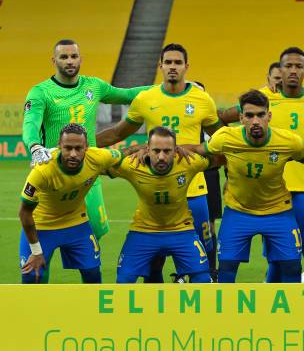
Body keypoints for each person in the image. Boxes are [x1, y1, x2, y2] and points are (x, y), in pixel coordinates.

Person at [96, 43, 224, 282]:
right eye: (168, 62)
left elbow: (222, 139)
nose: (173, 67)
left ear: (186, 67)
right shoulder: (146, 99)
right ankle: (157, 303)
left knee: (204, 256)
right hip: (156, 185)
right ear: (160, 66)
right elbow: (116, 133)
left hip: (194, 188)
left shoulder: (202, 100)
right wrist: (85, 147)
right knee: (154, 259)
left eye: (178, 63)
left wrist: (195, 149)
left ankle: (203, 297)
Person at [219, 47, 304, 280]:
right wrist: (232, 165)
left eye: (298, 66)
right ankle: (276, 304)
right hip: (270, 192)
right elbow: (223, 118)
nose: (293, 71)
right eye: (288, 66)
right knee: (279, 256)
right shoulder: (264, 100)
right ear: (280, 70)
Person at [22, 39, 149, 239]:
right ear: (53, 61)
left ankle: (91, 268)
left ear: (81, 59)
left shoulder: (94, 86)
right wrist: (35, 146)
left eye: (73, 56)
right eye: (64, 57)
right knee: (44, 232)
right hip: (53, 171)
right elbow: (31, 123)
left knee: (96, 230)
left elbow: (128, 95)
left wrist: (164, 89)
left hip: (88, 169)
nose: (70, 61)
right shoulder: (41, 92)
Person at [189, 89, 304, 283]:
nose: (255, 121)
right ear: (241, 118)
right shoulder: (225, 137)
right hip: (238, 211)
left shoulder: (289, 142)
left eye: (260, 115)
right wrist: (156, 150)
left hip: (278, 211)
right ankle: (226, 311)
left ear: (269, 116)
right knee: (226, 267)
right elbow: (198, 150)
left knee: (292, 266)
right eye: (249, 115)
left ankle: (288, 311)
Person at [107, 127, 221, 283]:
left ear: (175, 151)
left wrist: (191, 149)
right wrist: (133, 149)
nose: (161, 157)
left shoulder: (188, 162)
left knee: (202, 279)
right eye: (156, 151)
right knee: (124, 280)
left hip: (181, 231)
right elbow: (99, 164)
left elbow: (220, 158)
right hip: (144, 231)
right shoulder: (133, 165)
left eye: (167, 151)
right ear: (147, 149)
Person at [19, 124, 123, 284]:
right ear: (59, 145)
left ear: (87, 147)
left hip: (76, 223)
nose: (73, 154)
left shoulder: (98, 157)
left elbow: (123, 155)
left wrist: (147, 149)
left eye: (78, 148)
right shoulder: (42, 170)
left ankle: (90, 309)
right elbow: (24, 213)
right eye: (67, 148)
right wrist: (36, 251)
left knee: (93, 274)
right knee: (32, 276)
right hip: (42, 226)